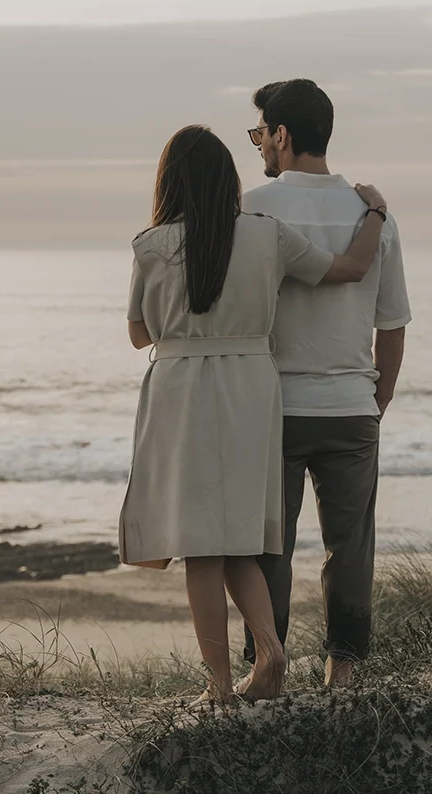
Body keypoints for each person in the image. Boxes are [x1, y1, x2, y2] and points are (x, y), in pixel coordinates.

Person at [118, 124, 389, 705]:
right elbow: (349, 269)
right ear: (228, 181)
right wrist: (376, 215)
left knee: (199, 544)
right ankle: (270, 647)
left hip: (182, 387)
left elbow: (139, 334)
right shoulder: (267, 236)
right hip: (251, 385)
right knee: (241, 538)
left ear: (168, 180)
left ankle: (218, 685)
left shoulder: (151, 244)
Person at [240, 79, 412, 688]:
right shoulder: (374, 215)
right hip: (350, 407)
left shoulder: (253, 207)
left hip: (275, 407)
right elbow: (390, 329)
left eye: (260, 132)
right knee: (351, 547)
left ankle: (268, 664)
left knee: (268, 547)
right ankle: (343, 673)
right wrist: (377, 401)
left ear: (282, 136)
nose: (258, 144)